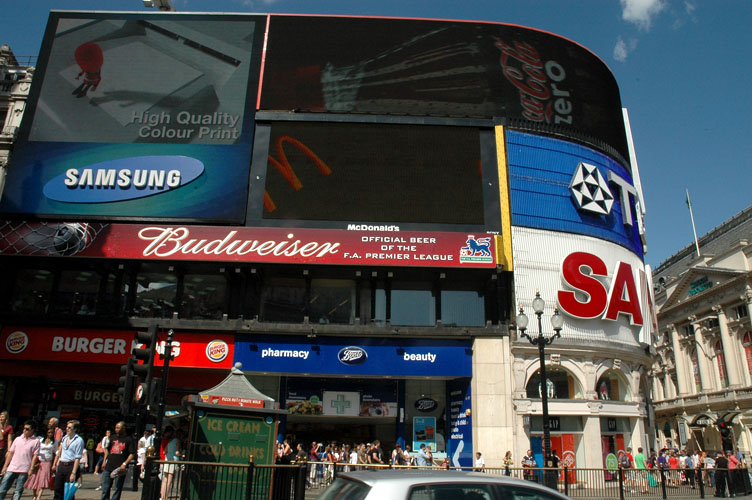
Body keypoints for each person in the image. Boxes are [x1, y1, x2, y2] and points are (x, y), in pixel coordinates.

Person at [0, 420, 39, 500]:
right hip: (12, 467)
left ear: (32, 430)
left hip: (24, 469)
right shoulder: (17, 439)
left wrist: (31, 468)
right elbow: (11, 453)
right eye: (24, 428)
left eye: (27, 429)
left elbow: (35, 456)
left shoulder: (36, 441)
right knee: (2, 489)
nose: (24, 430)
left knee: (17, 491)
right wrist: (5, 466)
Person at [101, 421, 134, 500]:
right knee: (105, 488)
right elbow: (107, 450)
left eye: (118, 428)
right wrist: (104, 461)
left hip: (119, 468)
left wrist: (125, 464)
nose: (116, 429)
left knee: (117, 488)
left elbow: (132, 454)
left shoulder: (128, 439)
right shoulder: (113, 437)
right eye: (115, 428)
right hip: (109, 465)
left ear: (123, 428)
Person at [52, 419, 84, 500]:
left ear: (75, 429)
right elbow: (59, 452)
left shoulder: (79, 440)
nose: (67, 429)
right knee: (57, 488)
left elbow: (77, 458)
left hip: (70, 466)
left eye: (70, 428)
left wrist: (73, 473)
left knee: (68, 492)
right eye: (67, 427)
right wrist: (55, 463)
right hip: (62, 465)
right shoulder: (65, 438)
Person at [25, 426, 56, 500]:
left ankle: (39, 496)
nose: (50, 434)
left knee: (43, 478)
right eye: (49, 432)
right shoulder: (40, 439)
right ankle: (34, 495)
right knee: (35, 478)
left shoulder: (54, 441)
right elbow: (35, 450)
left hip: (47, 461)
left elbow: (56, 452)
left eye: (52, 433)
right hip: (39, 461)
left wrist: (55, 463)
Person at [159, 425, 181, 500]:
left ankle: (162, 497)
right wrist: (182, 455)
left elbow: (165, 452)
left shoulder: (169, 441)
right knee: (169, 480)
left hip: (167, 460)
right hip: (173, 460)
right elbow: (177, 452)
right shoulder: (177, 441)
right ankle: (166, 497)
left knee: (165, 480)